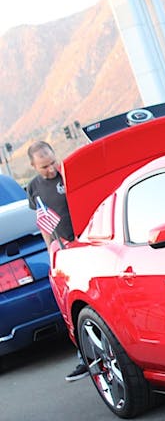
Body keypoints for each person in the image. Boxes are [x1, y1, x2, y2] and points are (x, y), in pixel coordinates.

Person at [26, 141, 87, 382]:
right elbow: (43, 222)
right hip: (62, 247)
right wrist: (50, 250)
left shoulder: (69, 174)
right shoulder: (34, 188)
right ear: (33, 166)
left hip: (84, 240)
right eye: (43, 167)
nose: (50, 169)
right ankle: (84, 356)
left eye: (52, 162)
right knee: (71, 304)